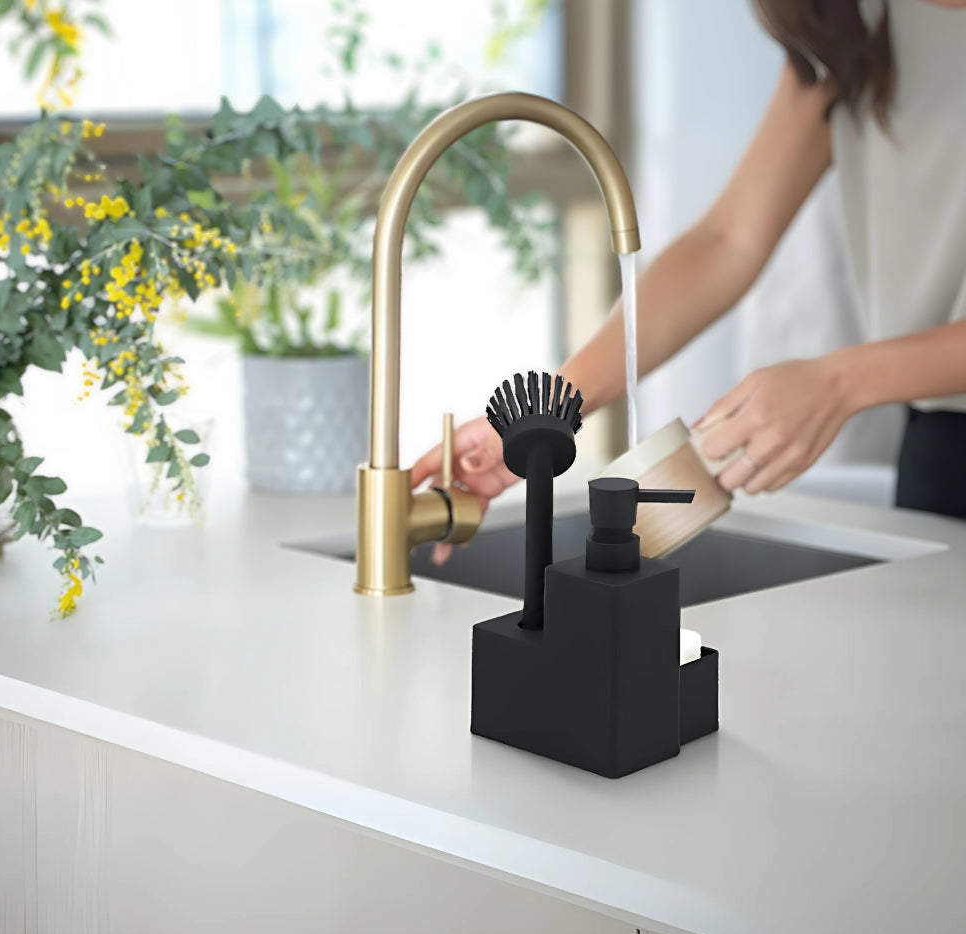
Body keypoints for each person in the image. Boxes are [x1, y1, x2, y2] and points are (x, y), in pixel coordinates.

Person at [412, 0, 966, 563]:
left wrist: (842, 382)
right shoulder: (861, 20)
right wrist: (551, 408)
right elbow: (726, 241)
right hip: (940, 449)